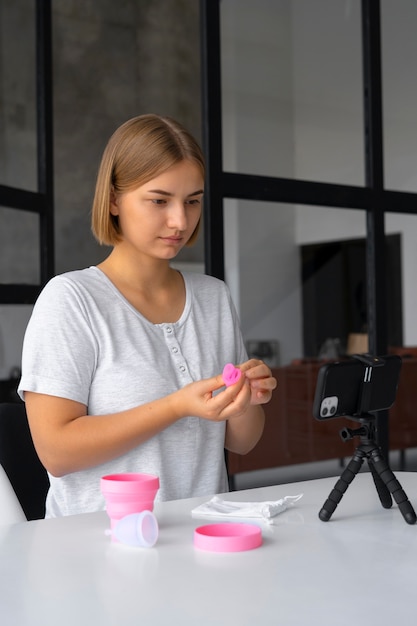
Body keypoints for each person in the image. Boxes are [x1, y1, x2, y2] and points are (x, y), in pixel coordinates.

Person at [18, 114, 277, 517]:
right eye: (159, 200)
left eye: (192, 201)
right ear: (114, 200)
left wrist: (243, 402)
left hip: (201, 534)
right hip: (96, 551)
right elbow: (56, 452)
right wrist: (176, 406)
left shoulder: (213, 296)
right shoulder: (71, 300)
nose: (180, 221)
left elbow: (242, 443)